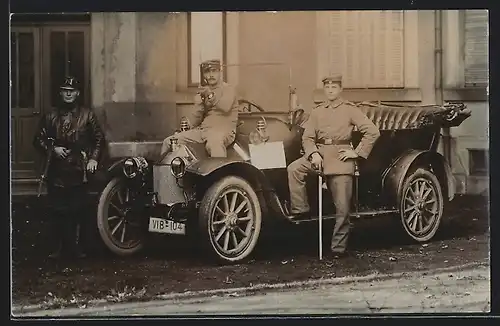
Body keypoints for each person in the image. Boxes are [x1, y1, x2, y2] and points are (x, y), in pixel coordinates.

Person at [286, 75, 380, 258]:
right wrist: (312, 153)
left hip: (341, 160)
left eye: (334, 87)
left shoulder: (350, 110)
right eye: (327, 87)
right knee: (294, 169)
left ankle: (338, 248)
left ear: (340, 89)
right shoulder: (317, 111)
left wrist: (357, 152)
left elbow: (372, 131)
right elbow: (307, 137)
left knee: (343, 209)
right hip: (319, 155)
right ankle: (300, 210)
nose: (330, 90)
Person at [33, 76, 105, 259]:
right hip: (56, 170)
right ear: (60, 93)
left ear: (77, 93)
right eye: (65, 90)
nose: (68, 93)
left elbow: (98, 139)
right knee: (58, 210)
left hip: (79, 170)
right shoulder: (50, 116)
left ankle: (78, 249)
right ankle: (58, 249)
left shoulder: (87, 115)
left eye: (71, 91)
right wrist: (53, 148)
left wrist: (93, 159)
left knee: (79, 209)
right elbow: (38, 139)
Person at [161, 59, 239, 157]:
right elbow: (195, 121)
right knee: (169, 142)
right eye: (207, 72)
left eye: (214, 71)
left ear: (220, 72)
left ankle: (220, 172)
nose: (211, 75)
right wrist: (199, 104)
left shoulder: (228, 89)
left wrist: (209, 95)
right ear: (204, 75)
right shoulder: (204, 91)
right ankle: (167, 171)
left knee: (214, 144)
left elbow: (225, 107)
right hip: (203, 131)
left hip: (223, 131)